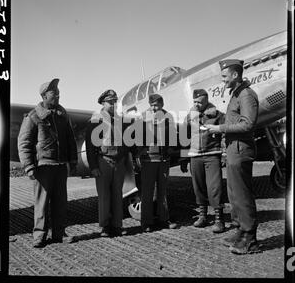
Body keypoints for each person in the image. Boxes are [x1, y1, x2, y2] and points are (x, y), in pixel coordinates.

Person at [205, 59, 260, 254]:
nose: (223, 81)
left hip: (240, 149)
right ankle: (239, 230)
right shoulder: (236, 95)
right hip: (232, 150)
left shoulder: (246, 95)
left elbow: (247, 124)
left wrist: (219, 128)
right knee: (234, 193)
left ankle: (250, 238)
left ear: (235, 75)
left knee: (242, 194)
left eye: (224, 77)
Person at [18, 78, 77, 248]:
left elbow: (70, 139)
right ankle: (39, 235)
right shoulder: (33, 116)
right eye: (54, 93)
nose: (58, 95)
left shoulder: (62, 114)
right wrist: (28, 166)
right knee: (41, 203)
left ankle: (59, 234)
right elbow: (24, 143)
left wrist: (73, 161)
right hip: (42, 167)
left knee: (60, 203)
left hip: (60, 166)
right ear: (44, 95)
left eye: (58, 93)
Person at [85, 89, 133, 237]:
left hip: (119, 162)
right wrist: (93, 166)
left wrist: (125, 159)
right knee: (104, 196)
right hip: (103, 162)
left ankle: (117, 225)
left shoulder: (121, 120)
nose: (113, 105)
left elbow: (126, 142)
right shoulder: (95, 120)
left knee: (117, 195)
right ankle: (105, 226)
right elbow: (90, 146)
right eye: (110, 102)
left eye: (114, 102)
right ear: (103, 103)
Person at [180, 89, 225, 233]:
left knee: (214, 187)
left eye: (199, 101)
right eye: (194, 101)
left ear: (206, 100)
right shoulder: (190, 117)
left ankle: (219, 219)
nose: (196, 104)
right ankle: (203, 216)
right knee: (198, 187)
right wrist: (183, 157)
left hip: (212, 155)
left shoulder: (218, 115)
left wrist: (223, 154)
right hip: (195, 156)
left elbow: (224, 134)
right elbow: (183, 137)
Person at [137, 93, 177, 232]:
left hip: (163, 159)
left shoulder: (168, 117)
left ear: (162, 105)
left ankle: (163, 219)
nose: (154, 108)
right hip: (148, 160)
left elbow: (173, 136)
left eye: (156, 105)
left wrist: (171, 151)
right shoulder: (142, 117)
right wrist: (139, 153)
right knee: (147, 192)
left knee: (162, 192)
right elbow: (136, 137)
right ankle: (146, 222)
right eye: (152, 105)